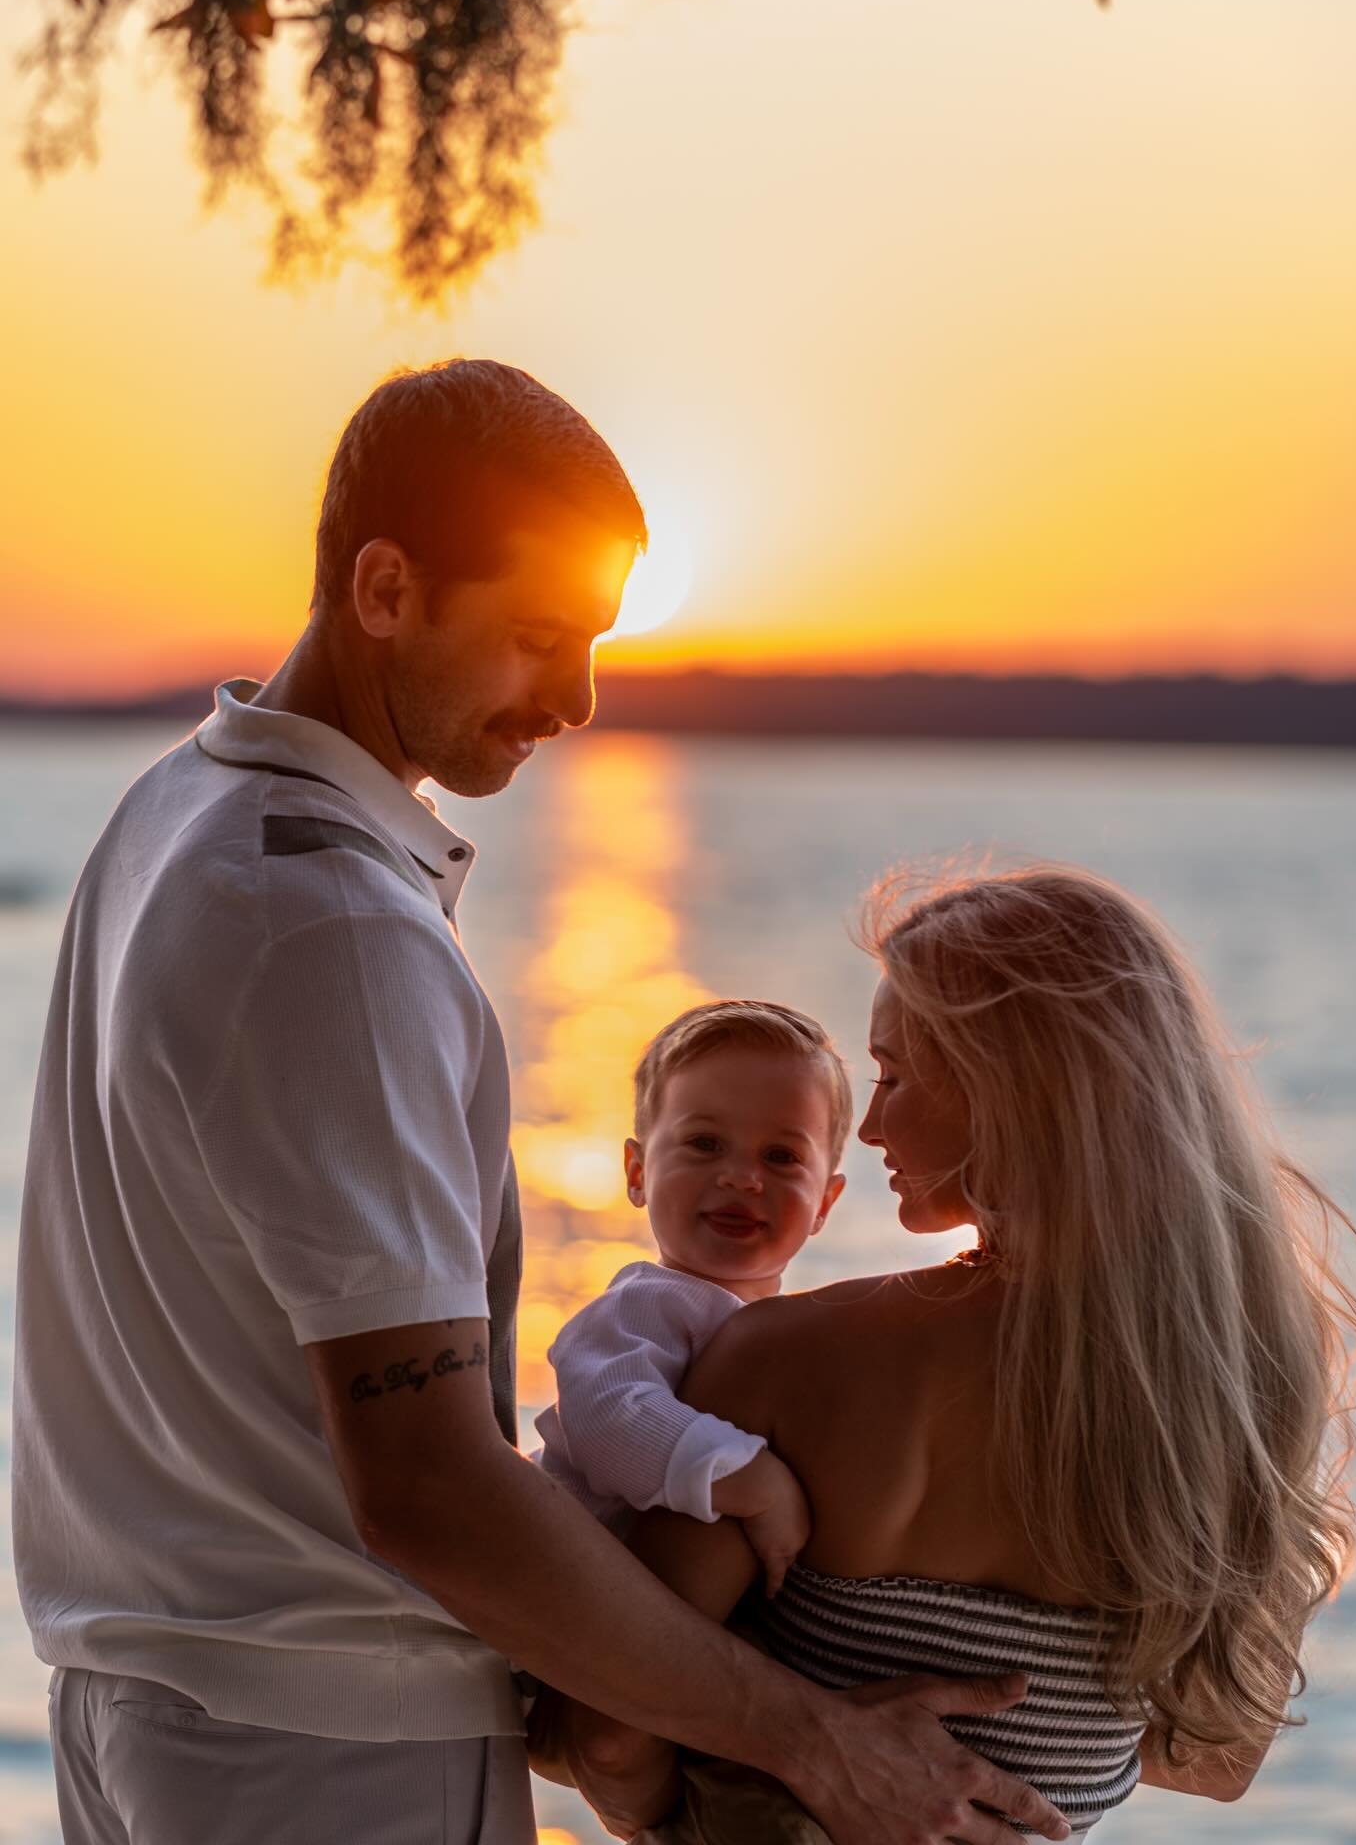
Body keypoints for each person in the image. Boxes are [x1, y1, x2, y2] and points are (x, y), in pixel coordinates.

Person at [12, 360, 1070, 1845]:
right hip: (328, 1756)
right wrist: (820, 1743)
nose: (576, 701)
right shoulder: (337, 928)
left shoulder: (178, 810)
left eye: (592, 646)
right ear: (385, 588)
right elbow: (428, 1486)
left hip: (142, 1712)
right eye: (536, 639)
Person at [568, 864, 1356, 1843]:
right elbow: (1219, 1756)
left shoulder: (785, 1360)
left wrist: (750, 1776)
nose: (869, 1127)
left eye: (895, 1076)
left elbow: (608, 1738)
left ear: (1012, 1089)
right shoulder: (1249, 1381)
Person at [534, 1000, 850, 1592]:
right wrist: (753, 1481)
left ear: (824, 1204)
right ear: (637, 1173)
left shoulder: (792, 1329)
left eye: (780, 1157)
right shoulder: (645, 1306)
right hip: (549, 1594)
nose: (741, 1177)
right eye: (705, 1143)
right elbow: (605, 1416)